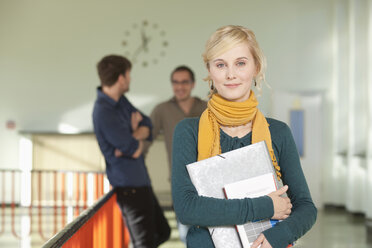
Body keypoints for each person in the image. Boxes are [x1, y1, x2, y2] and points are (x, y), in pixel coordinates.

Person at [171, 25, 317, 248]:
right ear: (209, 70)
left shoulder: (277, 132)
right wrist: (267, 207)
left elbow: (306, 207)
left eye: (240, 63)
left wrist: (278, 236)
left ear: (256, 67)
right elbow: (187, 208)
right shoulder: (189, 131)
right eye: (221, 65)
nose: (231, 74)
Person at [92, 55, 170, 248]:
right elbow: (135, 150)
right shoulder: (104, 111)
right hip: (129, 188)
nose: (130, 79)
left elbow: (148, 125)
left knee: (163, 232)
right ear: (120, 78)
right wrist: (137, 135)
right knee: (144, 244)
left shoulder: (121, 101)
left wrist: (133, 135)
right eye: (128, 75)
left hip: (142, 182)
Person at [149, 65, 207, 244]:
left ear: (193, 84)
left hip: (207, 179)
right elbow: (145, 139)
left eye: (184, 82)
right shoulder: (162, 109)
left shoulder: (206, 107)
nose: (179, 86)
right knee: (185, 234)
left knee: (210, 232)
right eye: (175, 82)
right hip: (180, 181)